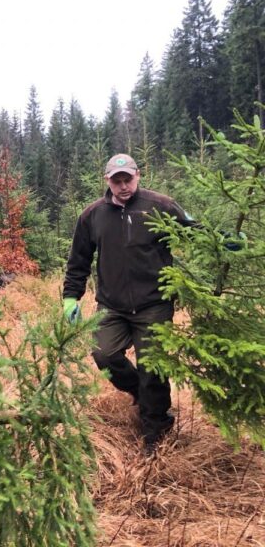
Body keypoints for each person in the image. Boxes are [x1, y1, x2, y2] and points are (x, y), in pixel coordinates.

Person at [62, 154, 195, 455]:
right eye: (117, 180)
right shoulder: (92, 215)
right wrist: (71, 297)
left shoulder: (160, 206)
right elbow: (78, 261)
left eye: (128, 179)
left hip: (154, 303)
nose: (123, 186)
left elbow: (193, 230)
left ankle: (155, 432)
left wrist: (222, 241)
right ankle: (139, 392)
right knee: (104, 354)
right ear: (107, 181)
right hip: (112, 305)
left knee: (153, 368)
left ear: (138, 176)